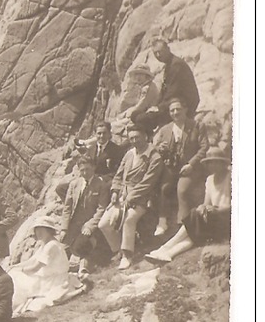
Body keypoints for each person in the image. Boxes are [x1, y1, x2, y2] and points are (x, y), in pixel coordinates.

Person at [147, 147, 231, 263]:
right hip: (213, 218)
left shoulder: (231, 177)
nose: (213, 165)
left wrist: (217, 210)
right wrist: (203, 207)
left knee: (194, 217)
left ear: (222, 162)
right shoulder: (210, 179)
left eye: (216, 162)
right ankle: (168, 254)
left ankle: (164, 248)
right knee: (195, 227)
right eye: (210, 162)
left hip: (226, 221)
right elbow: (207, 203)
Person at [98, 124, 164, 270]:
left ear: (145, 137)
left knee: (129, 219)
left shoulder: (154, 157)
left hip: (143, 197)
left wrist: (131, 197)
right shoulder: (129, 154)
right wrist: (115, 192)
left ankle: (128, 255)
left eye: (137, 137)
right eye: (131, 138)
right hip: (123, 194)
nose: (135, 141)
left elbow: (148, 182)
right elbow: (119, 175)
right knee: (103, 224)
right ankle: (119, 251)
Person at [152, 98, 208, 236]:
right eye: (172, 110)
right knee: (164, 187)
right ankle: (162, 221)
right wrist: (160, 148)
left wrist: (191, 164)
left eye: (178, 109)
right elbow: (155, 148)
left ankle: (183, 224)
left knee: (182, 190)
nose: (175, 112)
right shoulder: (165, 129)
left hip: (191, 167)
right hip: (172, 167)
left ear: (185, 110)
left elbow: (204, 147)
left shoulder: (197, 126)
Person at [8, 216, 81, 316]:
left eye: (41, 229)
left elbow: (35, 268)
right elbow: (31, 261)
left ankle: (9, 308)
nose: (38, 233)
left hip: (52, 280)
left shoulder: (51, 246)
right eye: (36, 230)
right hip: (46, 276)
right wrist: (15, 267)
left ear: (49, 230)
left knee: (17, 281)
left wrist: (20, 270)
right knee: (13, 273)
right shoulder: (45, 244)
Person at [61, 155, 112, 280]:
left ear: (94, 168)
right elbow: (67, 208)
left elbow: (101, 209)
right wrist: (64, 228)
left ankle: (84, 266)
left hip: (90, 224)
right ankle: (67, 268)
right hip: (75, 223)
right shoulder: (74, 184)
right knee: (61, 248)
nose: (85, 173)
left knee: (80, 246)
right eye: (82, 170)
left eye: (88, 169)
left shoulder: (101, 184)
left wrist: (90, 226)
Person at [148, 40, 200, 128]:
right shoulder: (169, 64)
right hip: (174, 101)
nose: (158, 55)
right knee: (138, 115)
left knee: (142, 119)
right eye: (155, 53)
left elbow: (173, 91)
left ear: (168, 49)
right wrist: (155, 105)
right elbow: (164, 90)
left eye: (160, 52)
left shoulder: (176, 64)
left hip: (185, 105)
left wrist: (158, 108)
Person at [113, 65, 160, 133]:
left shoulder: (147, 88)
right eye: (137, 74)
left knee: (116, 125)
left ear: (146, 76)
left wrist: (127, 114)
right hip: (142, 113)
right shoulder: (145, 86)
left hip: (148, 115)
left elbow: (141, 105)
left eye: (141, 74)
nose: (138, 77)